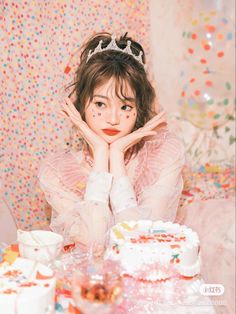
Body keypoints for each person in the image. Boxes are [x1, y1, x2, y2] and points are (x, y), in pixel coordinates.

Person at [38, 32, 185, 249]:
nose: (113, 119)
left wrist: (116, 157)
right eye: (100, 104)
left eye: (125, 106)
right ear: (81, 105)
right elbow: (94, 243)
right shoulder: (57, 173)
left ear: (138, 110)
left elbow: (138, 245)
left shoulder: (162, 156)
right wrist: (100, 155)